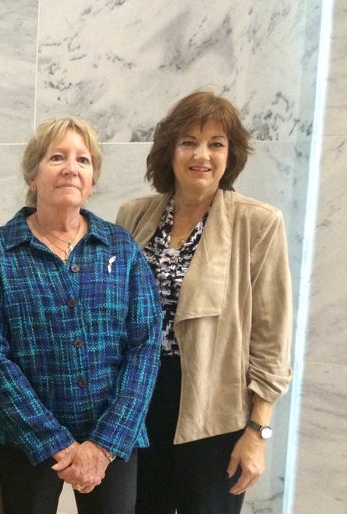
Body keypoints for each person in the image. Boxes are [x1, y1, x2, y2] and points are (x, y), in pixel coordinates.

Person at [0, 116, 163, 514]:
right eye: (57, 157)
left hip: (112, 438)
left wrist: (103, 445)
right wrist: (54, 441)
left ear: (92, 179)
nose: (72, 168)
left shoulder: (120, 246)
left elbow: (145, 344)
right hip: (25, 440)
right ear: (33, 176)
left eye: (83, 160)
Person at [115, 90, 293, 514]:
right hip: (137, 403)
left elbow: (272, 338)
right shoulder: (132, 217)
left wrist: (257, 433)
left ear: (230, 156)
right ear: (169, 151)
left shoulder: (259, 223)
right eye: (189, 142)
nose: (203, 155)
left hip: (215, 413)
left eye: (216, 143)